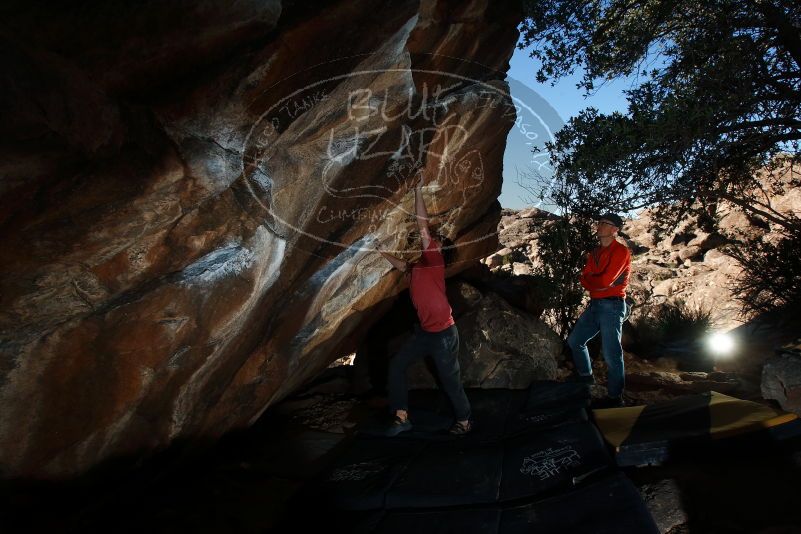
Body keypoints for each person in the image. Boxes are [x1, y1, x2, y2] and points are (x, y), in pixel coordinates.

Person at [375, 176, 472, 436]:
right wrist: (380, 251)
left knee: (449, 380)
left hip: (443, 334)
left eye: (436, 241)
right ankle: (401, 417)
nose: (431, 241)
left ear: (440, 250)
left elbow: (422, 225)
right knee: (396, 366)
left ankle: (464, 420)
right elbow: (403, 266)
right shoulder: (420, 266)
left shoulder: (434, 260)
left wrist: (417, 190)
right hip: (426, 333)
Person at [567, 212, 632, 408]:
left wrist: (593, 281)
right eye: (600, 222)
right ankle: (586, 380)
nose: (600, 225)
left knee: (611, 352)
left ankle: (615, 397)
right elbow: (584, 278)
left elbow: (604, 281)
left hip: (612, 305)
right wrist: (594, 282)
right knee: (575, 341)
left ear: (615, 230)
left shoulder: (621, 251)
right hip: (596, 304)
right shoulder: (595, 253)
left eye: (605, 223)